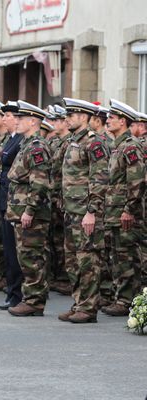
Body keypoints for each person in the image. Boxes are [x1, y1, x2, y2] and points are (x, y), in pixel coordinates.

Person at [59, 98, 110, 323]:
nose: (67, 118)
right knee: (72, 261)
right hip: (71, 211)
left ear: (84, 117)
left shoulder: (94, 142)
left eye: (72, 114)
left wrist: (92, 211)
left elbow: (100, 179)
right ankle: (79, 302)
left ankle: (88, 308)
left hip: (85, 213)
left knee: (88, 261)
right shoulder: (72, 140)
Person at [6, 100, 52, 317]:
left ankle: (35, 300)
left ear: (33, 121)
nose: (17, 122)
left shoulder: (37, 147)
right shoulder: (26, 144)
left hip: (31, 213)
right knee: (26, 256)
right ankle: (31, 297)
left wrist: (29, 210)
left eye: (21, 118)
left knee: (32, 257)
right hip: (21, 210)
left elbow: (40, 183)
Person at [101, 99, 145, 317]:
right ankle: (122, 297)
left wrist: (129, 209)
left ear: (123, 121)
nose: (107, 121)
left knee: (127, 256)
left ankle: (128, 300)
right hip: (114, 210)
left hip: (125, 212)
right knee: (117, 256)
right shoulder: (117, 145)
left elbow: (137, 181)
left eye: (112, 118)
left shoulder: (130, 146)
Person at [0, 101, 25, 310]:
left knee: (16, 252)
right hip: (6, 200)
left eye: (7, 116)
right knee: (8, 251)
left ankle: (17, 295)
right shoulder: (11, 139)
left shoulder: (21, 141)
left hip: (16, 202)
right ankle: (11, 293)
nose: (4, 119)